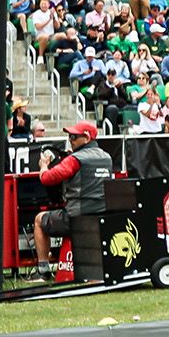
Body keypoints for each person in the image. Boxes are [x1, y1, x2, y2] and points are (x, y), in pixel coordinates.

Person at [34, 118, 114, 278]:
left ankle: (43, 270)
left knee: (38, 220)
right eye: (69, 137)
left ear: (87, 137)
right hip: (101, 218)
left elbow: (47, 179)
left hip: (76, 218)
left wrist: (43, 166)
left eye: (74, 137)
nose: (70, 140)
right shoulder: (106, 157)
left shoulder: (75, 160)